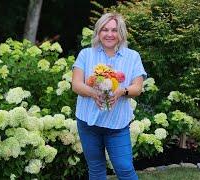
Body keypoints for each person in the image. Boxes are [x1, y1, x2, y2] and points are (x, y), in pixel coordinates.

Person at [72, 12, 147, 180]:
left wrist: (121, 91)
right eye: (105, 29)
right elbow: (76, 84)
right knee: (96, 169)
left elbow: (138, 88)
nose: (109, 34)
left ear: (121, 33)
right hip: (88, 122)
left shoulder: (133, 57)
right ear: (98, 32)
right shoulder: (86, 54)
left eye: (114, 30)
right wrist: (93, 93)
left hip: (117, 124)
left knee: (125, 168)